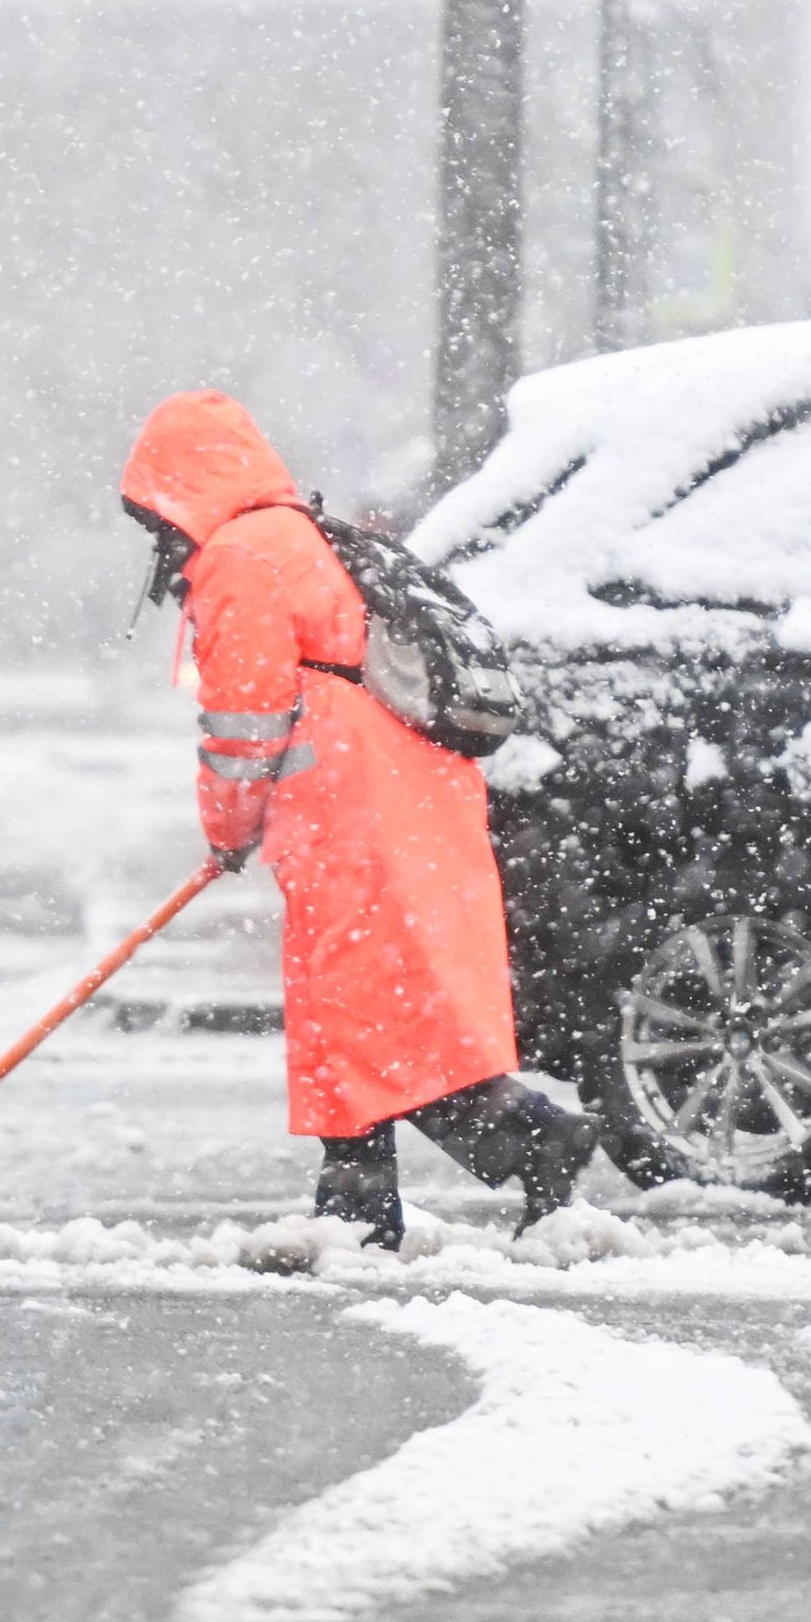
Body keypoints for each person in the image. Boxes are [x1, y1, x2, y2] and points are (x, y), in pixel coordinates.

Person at [119, 389, 597, 1248]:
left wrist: (226, 827)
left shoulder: (241, 557)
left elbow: (244, 720)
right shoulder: (291, 539)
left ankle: (530, 1137)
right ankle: (356, 1197)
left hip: (354, 816)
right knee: (353, 1004)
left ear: (177, 487)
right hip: (385, 803)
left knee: (376, 1008)